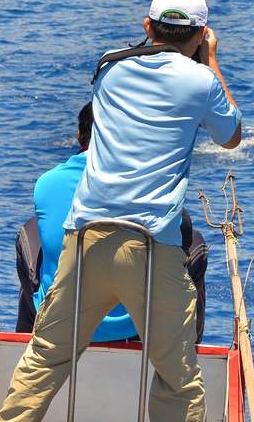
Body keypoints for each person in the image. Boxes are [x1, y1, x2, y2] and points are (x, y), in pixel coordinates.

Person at [0, 0, 244, 422]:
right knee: (177, 375)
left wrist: (170, 43)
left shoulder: (109, 67)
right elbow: (232, 136)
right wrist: (212, 60)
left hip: (88, 237)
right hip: (150, 244)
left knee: (44, 358)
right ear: (200, 34)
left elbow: (134, 67)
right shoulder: (200, 80)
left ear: (147, 27)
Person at [14, 103, 209, 343]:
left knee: (31, 230)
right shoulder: (150, 180)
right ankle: (189, 343)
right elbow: (181, 229)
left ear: (79, 136)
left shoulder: (47, 183)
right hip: (138, 323)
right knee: (194, 242)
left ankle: (24, 340)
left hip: (63, 320)